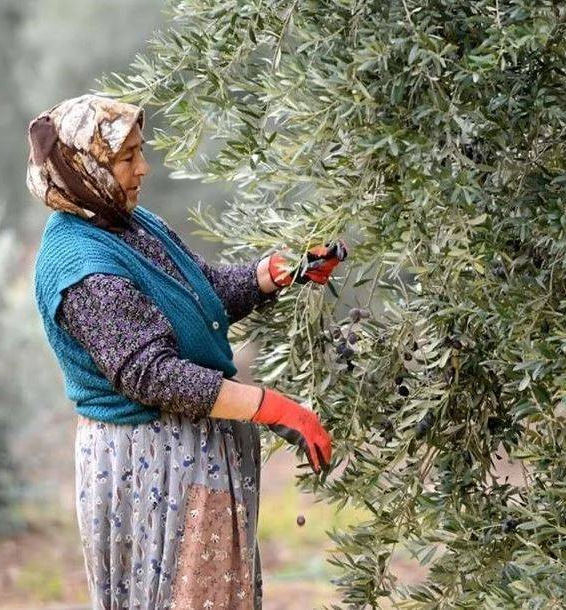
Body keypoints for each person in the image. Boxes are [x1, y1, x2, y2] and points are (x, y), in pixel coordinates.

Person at [26, 93, 347, 609]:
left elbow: (199, 293)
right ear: (84, 170)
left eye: (140, 151)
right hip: (153, 466)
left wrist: (274, 274)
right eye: (126, 157)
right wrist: (272, 407)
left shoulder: (126, 223)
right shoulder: (83, 267)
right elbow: (155, 375)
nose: (143, 167)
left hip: (188, 457)